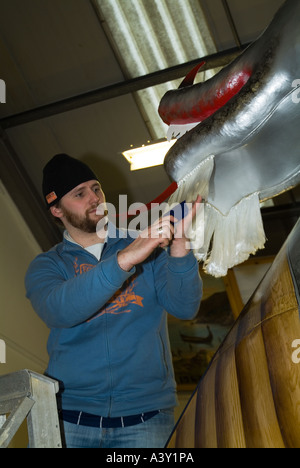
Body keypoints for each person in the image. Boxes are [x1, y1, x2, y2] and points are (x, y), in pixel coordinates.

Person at [25, 153, 203, 449]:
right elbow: (60, 310)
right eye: (79, 194)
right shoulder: (46, 266)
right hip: (66, 418)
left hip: (146, 418)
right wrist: (126, 259)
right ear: (56, 209)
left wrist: (181, 244)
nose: (94, 198)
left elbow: (185, 307)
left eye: (96, 188)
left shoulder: (149, 249)